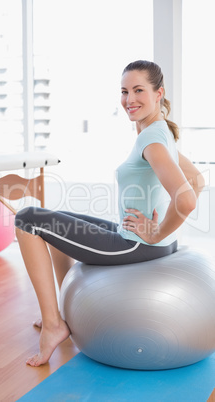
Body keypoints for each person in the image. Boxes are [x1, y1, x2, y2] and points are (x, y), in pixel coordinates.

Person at [14, 60, 205, 367]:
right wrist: (163, 234)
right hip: (143, 241)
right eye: (125, 91)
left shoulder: (152, 139)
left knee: (26, 219)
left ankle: (53, 326)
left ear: (159, 94)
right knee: (50, 218)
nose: (130, 99)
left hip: (136, 245)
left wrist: (157, 231)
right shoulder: (160, 132)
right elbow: (197, 180)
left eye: (139, 90)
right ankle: (63, 312)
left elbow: (186, 200)